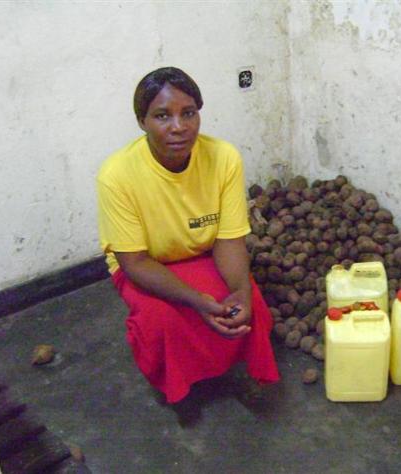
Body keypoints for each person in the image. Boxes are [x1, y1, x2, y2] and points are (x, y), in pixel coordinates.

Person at [96, 67, 280, 404]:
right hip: (147, 265)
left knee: (247, 303)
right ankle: (179, 382)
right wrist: (196, 300)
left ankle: (223, 364)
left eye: (189, 113)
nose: (178, 126)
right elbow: (134, 262)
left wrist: (241, 291)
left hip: (202, 253)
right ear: (141, 121)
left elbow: (228, 240)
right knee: (163, 320)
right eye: (162, 116)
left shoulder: (224, 158)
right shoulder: (116, 175)